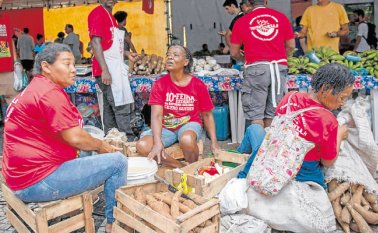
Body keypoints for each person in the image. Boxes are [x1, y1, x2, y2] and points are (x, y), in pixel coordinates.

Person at [1, 43, 128, 233]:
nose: (73, 70)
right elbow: (75, 138)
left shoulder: (38, 86)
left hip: (21, 174)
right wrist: (103, 146)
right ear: (46, 66)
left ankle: (85, 190)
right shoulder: (48, 93)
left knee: (89, 138)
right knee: (118, 162)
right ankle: (113, 224)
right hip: (36, 181)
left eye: (73, 65)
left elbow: (72, 135)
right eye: (67, 64)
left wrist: (93, 144)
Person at [239, 63, 354, 232]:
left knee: (255, 130)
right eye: (342, 97)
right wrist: (339, 136)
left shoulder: (290, 97)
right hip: (303, 170)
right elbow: (328, 162)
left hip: (271, 155)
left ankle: (239, 158)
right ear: (326, 89)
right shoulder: (328, 120)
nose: (342, 104)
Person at [136, 45, 220, 164]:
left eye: (175, 55)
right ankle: (180, 168)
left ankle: (193, 166)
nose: (170, 58)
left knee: (186, 140)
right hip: (166, 127)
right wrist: (157, 142)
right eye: (168, 55)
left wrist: (214, 141)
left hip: (189, 124)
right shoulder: (159, 84)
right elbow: (156, 116)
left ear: (185, 62)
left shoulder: (198, 85)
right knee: (142, 146)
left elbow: (207, 115)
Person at [230, 0, 295, 128]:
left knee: (256, 114)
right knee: (272, 113)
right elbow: (291, 46)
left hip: (255, 68)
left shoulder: (242, 21)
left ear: (249, 3)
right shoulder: (281, 17)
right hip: (278, 68)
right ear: (266, 1)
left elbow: (234, 52)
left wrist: (245, 59)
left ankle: (258, 146)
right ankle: (268, 147)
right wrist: (278, 56)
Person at [88, 0, 137, 138]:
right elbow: (95, 42)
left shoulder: (111, 17)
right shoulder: (97, 14)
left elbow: (110, 44)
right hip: (107, 69)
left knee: (109, 108)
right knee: (120, 106)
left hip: (114, 67)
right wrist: (105, 70)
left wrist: (127, 53)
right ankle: (127, 139)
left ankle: (112, 139)